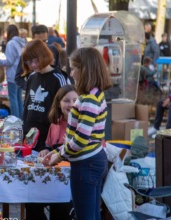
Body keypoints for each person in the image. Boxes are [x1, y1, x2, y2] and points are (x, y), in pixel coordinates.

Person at [43, 47, 112, 220]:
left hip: (86, 163)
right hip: (93, 160)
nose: (71, 73)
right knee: (92, 214)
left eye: (74, 68)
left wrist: (59, 155)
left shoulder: (88, 100)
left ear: (85, 70)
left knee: (85, 216)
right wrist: (58, 152)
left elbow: (80, 140)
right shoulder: (95, 94)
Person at [21, 39, 71, 220]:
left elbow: (64, 115)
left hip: (52, 147)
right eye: (28, 62)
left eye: (34, 61)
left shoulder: (59, 78)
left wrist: (49, 147)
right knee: (31, 199)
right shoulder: (32, 78)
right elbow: (27, 109)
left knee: (56, 198)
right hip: (30, 145)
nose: (32, 65)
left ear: (44, 57)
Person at [0, 25, 26, 118]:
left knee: (13, 98)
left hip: (13, 74)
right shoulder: (22, 43)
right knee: (19, 97)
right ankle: (21, 119)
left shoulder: (11, 43)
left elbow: (9, 61)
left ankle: (15, 118)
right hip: (21, 73)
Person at [15, 24, 61, 90]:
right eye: (39, 42)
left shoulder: (53, 50)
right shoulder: (27, 53)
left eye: (45, 41)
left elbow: (58, 70)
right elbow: (18, 78)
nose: (42, 45)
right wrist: (31, 88)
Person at [38, 85, 78, 157]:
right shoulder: (55, 124)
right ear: (59, 103)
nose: (71, 104)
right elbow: (49, 148)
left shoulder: (82, 125)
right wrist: (45, 150)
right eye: (66, 101)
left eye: (75, 100)